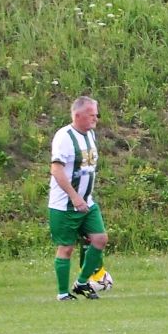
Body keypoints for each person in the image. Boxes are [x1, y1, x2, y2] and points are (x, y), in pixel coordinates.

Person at [50, 96, 108, 301]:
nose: (95, 119)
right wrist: (74, 197)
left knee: (100, 238)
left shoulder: (90, 135)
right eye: (92, 115)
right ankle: (63, 293)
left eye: (96, 115)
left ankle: (82, 282)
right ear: (78, 115)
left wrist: (83, 197)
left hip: (87, 202)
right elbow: (56, 170)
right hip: (65, 205)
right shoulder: (64, 137)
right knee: (66, 248)